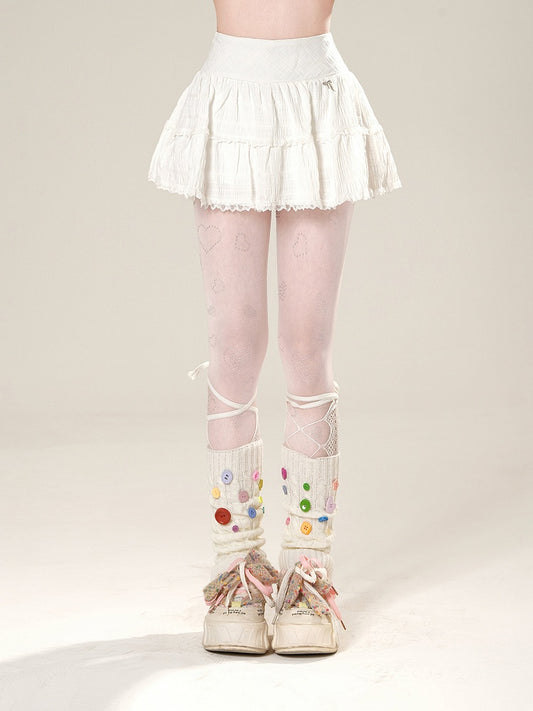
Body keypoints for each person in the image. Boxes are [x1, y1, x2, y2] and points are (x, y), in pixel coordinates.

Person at [147, 0, 402, 655]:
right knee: (233, 347)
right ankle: (237, 567)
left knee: (306, 345)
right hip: (230, 98)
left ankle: (308, 566)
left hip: (316, 99)